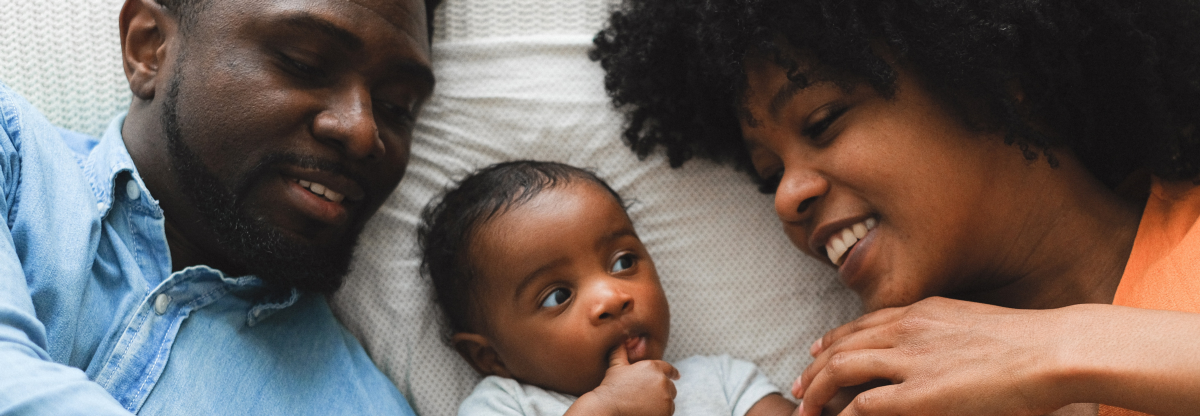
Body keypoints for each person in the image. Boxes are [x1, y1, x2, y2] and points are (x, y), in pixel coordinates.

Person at [589, 0, 1200, 415]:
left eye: (823, 121)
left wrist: (1056, 348)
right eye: (769, 172)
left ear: (986, 70)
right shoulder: (888, 395)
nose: (786, 196)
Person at [0, 0, 438, 414]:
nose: (364, 132)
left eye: (396, 107)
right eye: (303, 62)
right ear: (148, 48)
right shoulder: (13, 154)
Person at [418, 160, 801, 416]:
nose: (612, 299)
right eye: (558, 296)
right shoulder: (507, 406)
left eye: (623, 263)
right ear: (490, 358)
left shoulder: (722, 382)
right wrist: (606, 410)